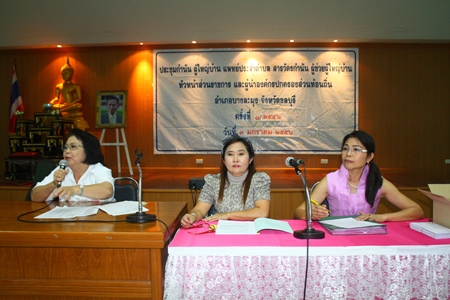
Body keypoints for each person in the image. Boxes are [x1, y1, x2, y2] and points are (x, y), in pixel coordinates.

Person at [294, 130, 424, 222]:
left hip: (367, 239)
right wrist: (312, 213)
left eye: (356, 149)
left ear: (369, 157)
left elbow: (417, 210)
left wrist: (384, 217)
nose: (348, 154)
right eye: (345, 149)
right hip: (336, 239)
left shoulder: (378, 182)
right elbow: (299, 211)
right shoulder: (330, 180)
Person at [181, 135, 271, 228]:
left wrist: (228, 215)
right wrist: (193, 216)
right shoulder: (213, 181)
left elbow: (262, 212)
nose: (235, 159)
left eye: (241, 154)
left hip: (251, 233)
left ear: (250, 159)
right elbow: (200, 210)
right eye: (230, 154)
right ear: (224, 160)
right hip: (221, 232)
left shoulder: (259, 180)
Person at [31, 128, 114, 202]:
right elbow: (34, 196)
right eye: (65, 147)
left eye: (73, 146)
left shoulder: (99, 170)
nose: (67, 151)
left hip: (98, 217)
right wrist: (53, 184)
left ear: (88, 150)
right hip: (69, 217)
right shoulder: (61, 170)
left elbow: (107, 191)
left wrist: (74, 189)